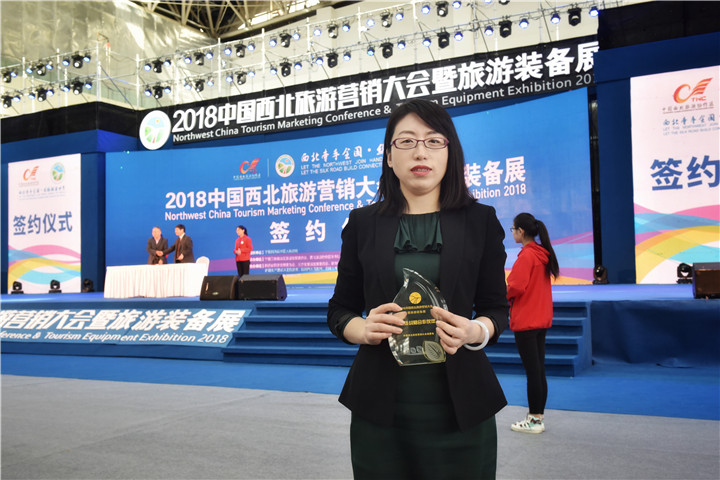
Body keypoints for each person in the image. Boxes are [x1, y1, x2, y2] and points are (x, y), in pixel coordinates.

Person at [327, 99, 509, 479]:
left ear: (449, 153)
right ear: (389, 156)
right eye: (406, 141)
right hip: (380, 413)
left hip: (462, 411)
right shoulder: (362, 223)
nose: (420, 152)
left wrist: (475, 330)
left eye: (433, 141)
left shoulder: (480, 221)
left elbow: (496, 309)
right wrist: (362, 329)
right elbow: (340, 309)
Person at [506, 212, 560, 434]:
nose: (512, 233)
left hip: (527, 320)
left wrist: (501, 294)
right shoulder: (542, 254)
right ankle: (537, 417)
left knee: (533, 372)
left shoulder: (527, 256)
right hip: (540, 319)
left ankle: (535, 420)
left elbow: (516, 287)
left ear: (521, 231)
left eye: (513, 229)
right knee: (538, 370)